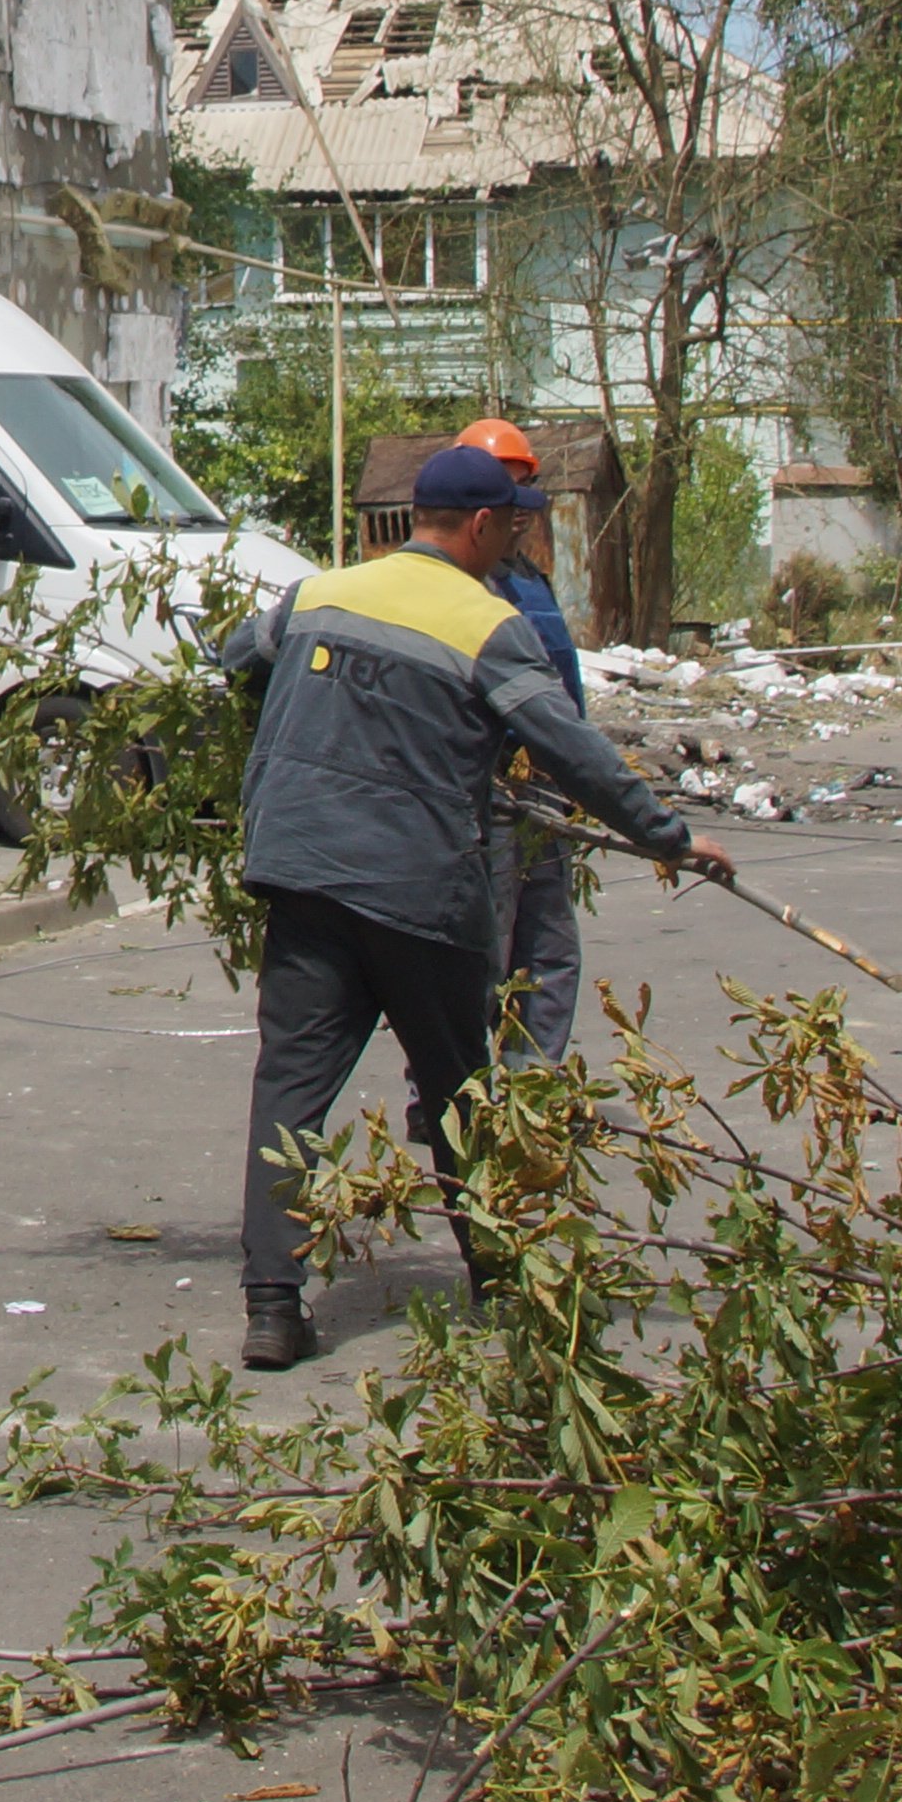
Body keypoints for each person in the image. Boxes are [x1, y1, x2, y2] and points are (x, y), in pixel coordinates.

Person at [217, 436, 728, 1372]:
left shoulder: (320, 592)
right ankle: (498, 1276)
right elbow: (569, 746)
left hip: (301, 875)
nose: (513, 546)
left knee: (289, 1092)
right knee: (460, 1091)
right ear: (485, 524)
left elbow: (232, 661)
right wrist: (668, 836)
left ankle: (273, 1308)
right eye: (512, 529)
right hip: (419, 893)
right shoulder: (485, 622)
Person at [451, 420, 593, 1063]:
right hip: (489, 781)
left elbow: (560, 682)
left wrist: (576, 771)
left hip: (545, 779)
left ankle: (533, 1078)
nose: (520, 512)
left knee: (549, 940)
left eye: (523, 493)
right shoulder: (460, 581)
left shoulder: (530, 579)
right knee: (485, 941)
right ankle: (450, 1084)